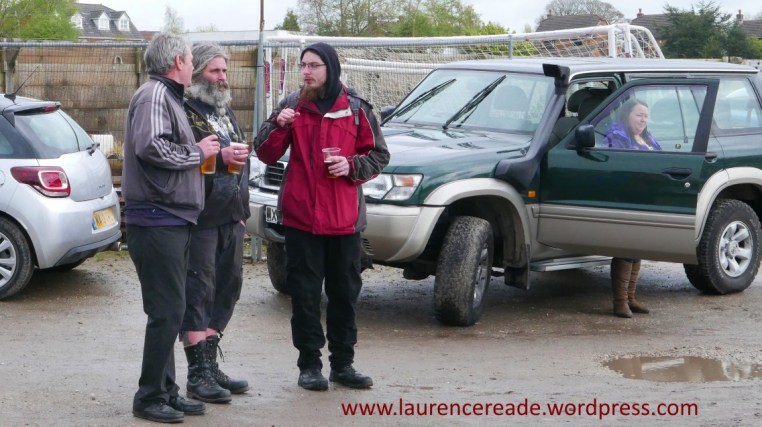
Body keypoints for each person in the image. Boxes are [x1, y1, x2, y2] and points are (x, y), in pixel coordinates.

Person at [254, 42, 390, 391]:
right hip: (301, 219)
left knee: (344, 295)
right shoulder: (291, 105)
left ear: (330, 68)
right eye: (303, 65)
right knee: (305, 295)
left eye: (314, 65)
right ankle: (309, 366)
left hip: (344, 221)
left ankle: (343, 365)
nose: (306, 72)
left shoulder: (356, 108)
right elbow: (264, 152)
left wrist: (351, 166)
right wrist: (279, 125)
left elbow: (379, 155)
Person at [123, 33, 220, 423]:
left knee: (171, 309)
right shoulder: (154, 96)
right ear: (177, 61)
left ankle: (166, 391)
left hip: (171, 218)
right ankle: (148, 397)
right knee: (166, 311)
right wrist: (198, 152)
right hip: (156, 219)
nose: (193, 65)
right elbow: (151, 146)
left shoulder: (168, 97)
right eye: (190, 58)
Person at [179, 42, 250, 403]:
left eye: (224, 71)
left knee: (228, 287)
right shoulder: (184, 111)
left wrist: (242, 213)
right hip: (201, 217)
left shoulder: (224, 110)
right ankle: (197, 374)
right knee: (198, 290)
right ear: (197, 74)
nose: (222, 78)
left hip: (231, 215)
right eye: (215, 71)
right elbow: (181, 159)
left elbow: (239, 160)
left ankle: (210, 363)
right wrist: (221, 157)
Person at [603, 98, 656, 318]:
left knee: (637, 247)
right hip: (625, 198)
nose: (643, 120)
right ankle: (620, 302)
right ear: (627, 115)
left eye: (646, 116)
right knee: (626, 248)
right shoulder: (616, 137)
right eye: (639, 115)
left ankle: (630, 298)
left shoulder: (647, 137)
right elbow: (617, 167)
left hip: (646, 198)